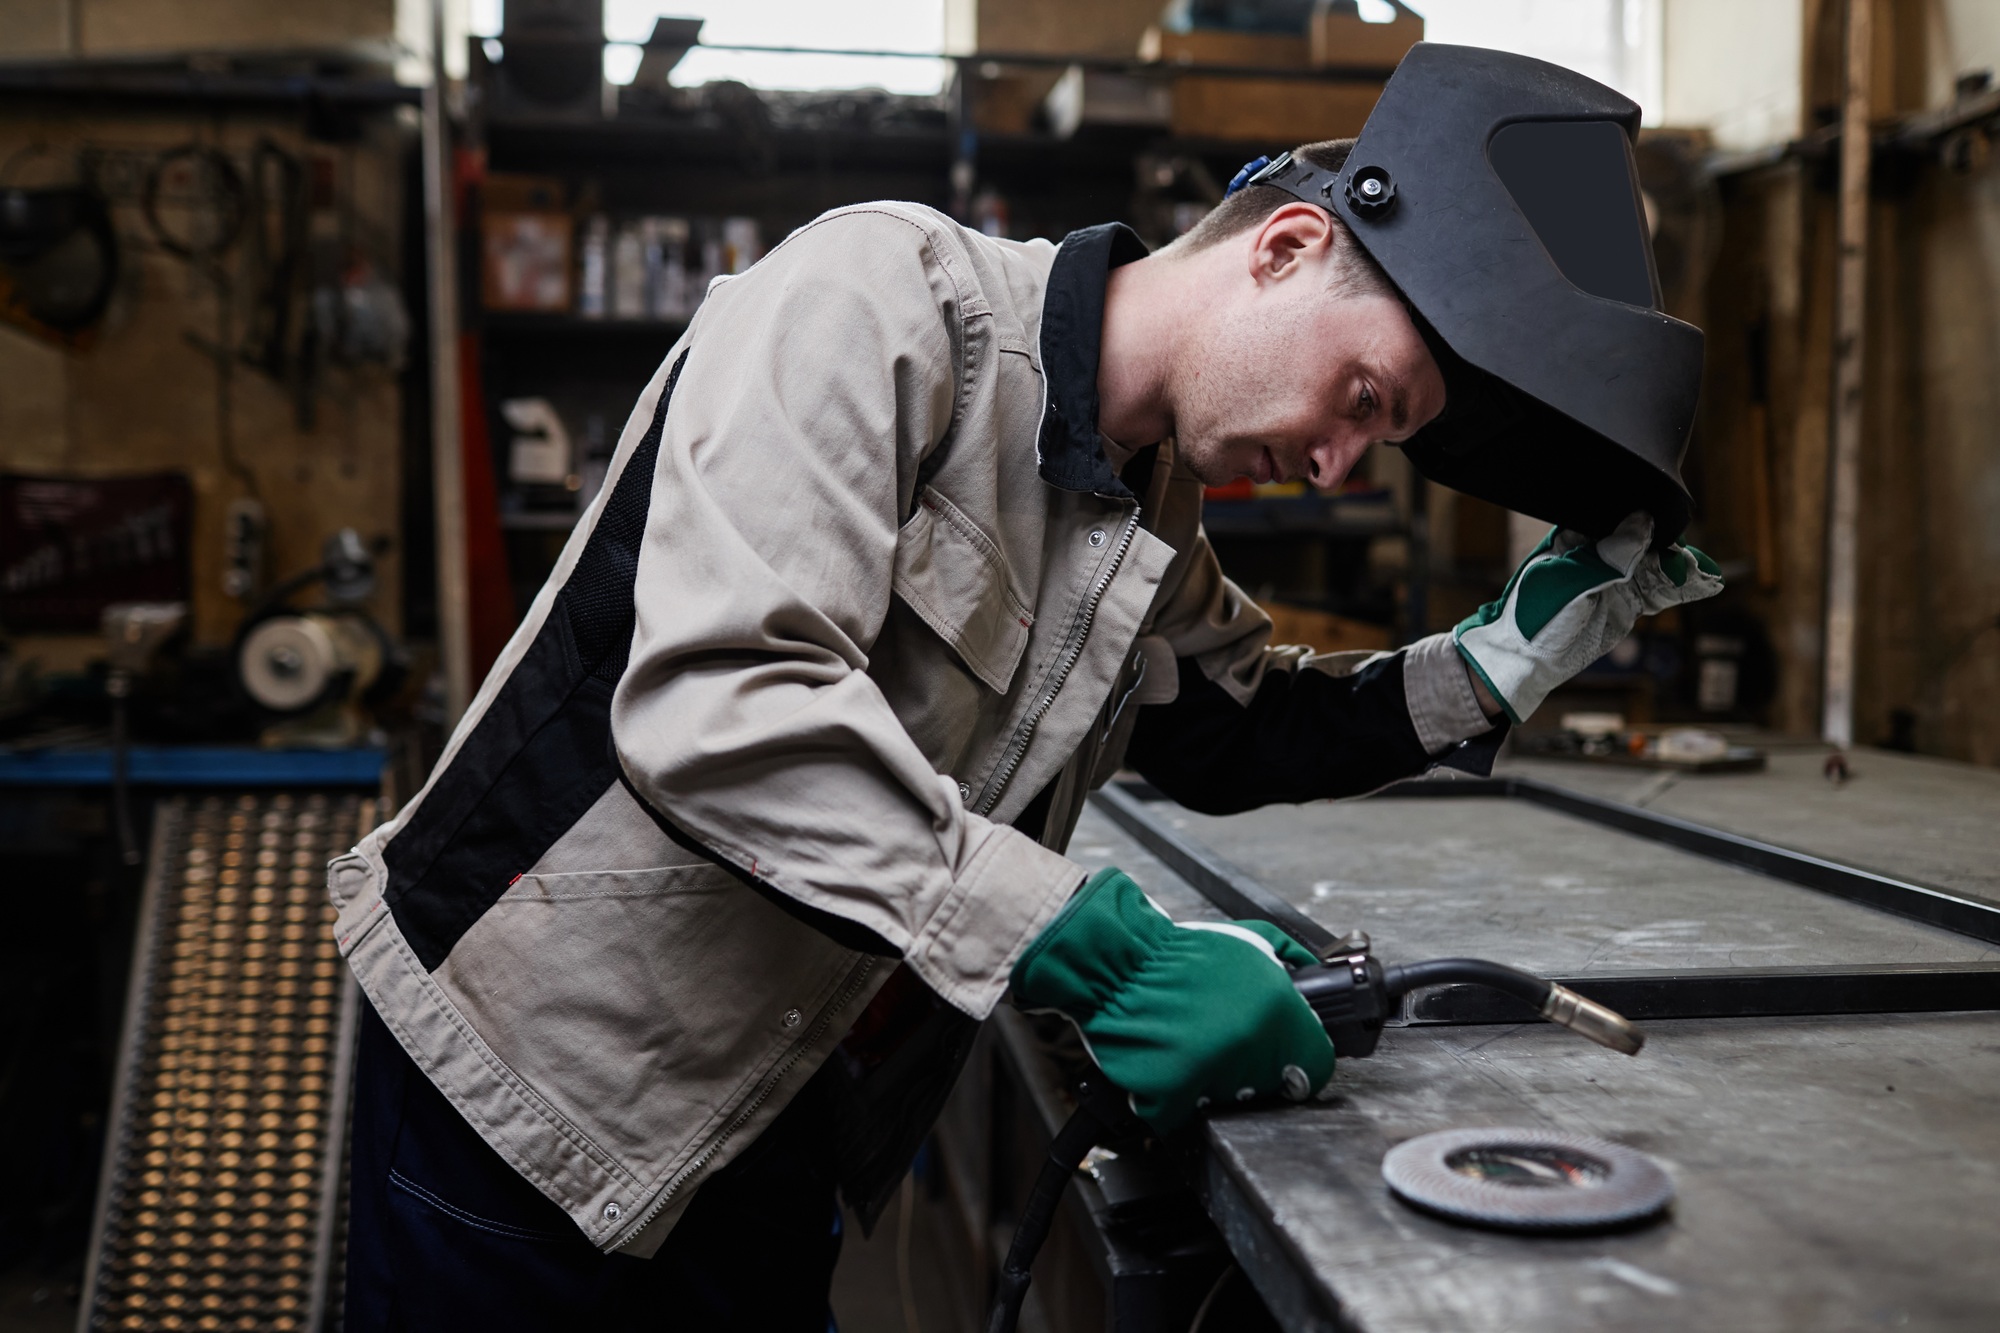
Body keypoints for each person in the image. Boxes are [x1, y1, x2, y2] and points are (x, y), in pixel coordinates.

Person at [331, 44, 1720, 1329]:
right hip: (518, 1100)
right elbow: (722, 707)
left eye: (1383, 440)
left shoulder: (1143, 509)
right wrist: (1096, 944)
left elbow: (1241, 732)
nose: (1337, 462)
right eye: (1364, 398)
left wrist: (1493, 664)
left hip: (757, 1115)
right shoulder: (882, 300)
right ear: (1289, 248)